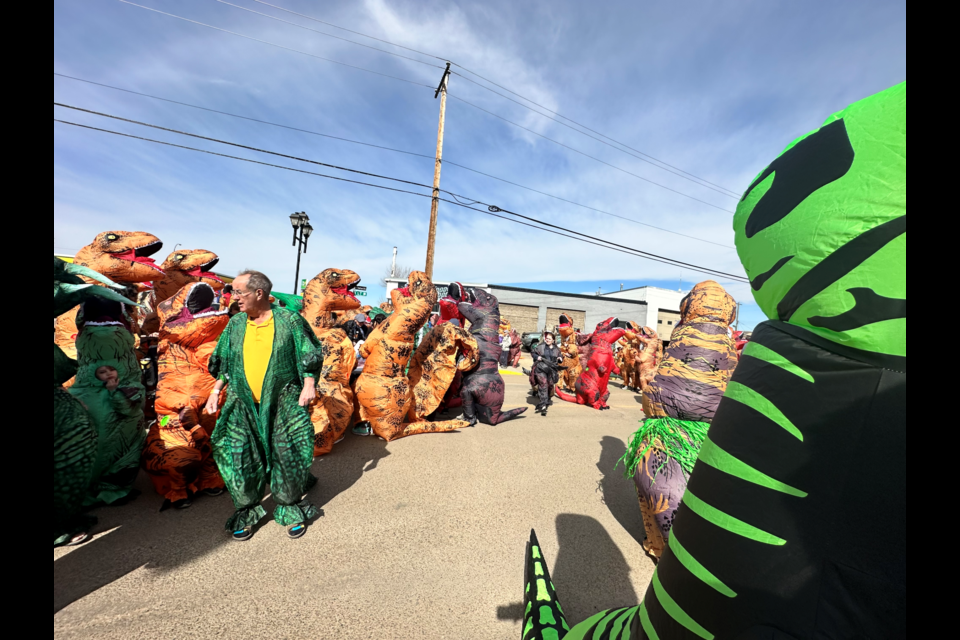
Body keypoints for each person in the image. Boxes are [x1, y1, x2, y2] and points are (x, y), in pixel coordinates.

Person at [203, 270, 323, 541]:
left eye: (238, 292)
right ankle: (246, 510)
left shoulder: (289, 320)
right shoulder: (235, 323)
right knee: (238, 453)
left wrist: (309, 383)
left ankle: (289, 505)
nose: (234, 297)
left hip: (283, 401)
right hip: (241, 403)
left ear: (259, 293)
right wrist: (215, 391)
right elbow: (225, 362)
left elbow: (309, 352)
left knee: (287, 451)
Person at [528, 332, 564, 416]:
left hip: (551, 370)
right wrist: (537, 357)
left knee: (550, 385)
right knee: (543, 384)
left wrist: (560, 358)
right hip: (541, 368)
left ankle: (547, 398)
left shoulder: (557, 349)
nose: (547, 340)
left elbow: (560, 356)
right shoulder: (540, 346)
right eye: (546, 338)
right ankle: (543, 405)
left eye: (549, 339)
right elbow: (533, 353)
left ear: (553, 340)